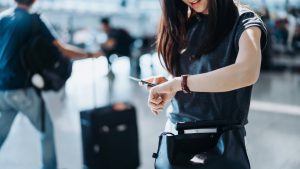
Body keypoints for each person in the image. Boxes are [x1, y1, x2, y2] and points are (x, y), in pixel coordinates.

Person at [144, 0, 267, 167]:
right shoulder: (186, 21)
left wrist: (180, 83)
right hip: (175, 134)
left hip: (219, 142)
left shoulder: (244, 20)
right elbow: (188, 74)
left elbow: (247, 71)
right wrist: (169, 85)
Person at [0, 0, 99, 169]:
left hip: (3, 88)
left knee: (2, 130)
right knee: (47, 132)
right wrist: (90, 54)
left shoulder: (2, 18)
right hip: (22, 88)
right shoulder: (34, 20)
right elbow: (63, 50)